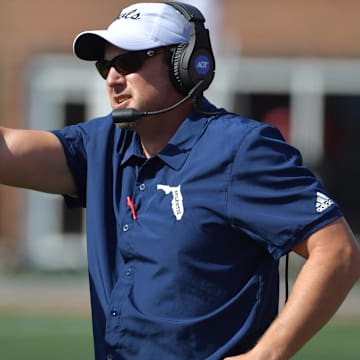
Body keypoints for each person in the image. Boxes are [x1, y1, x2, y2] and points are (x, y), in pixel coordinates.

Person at [1, 2, 359, 359]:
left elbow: (337, 251)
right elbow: (8, 151)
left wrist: (266, 354)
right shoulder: (101, 145)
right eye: (105, 65)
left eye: (128, 61)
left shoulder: (239, 148)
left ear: (185, 64)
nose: (112, 78)